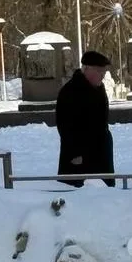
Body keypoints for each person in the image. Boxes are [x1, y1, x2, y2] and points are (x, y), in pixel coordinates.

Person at [55, 50, 115, 188]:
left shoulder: (99, 89)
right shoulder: (70, 91)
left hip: (100, 152)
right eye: (99, 71)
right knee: (81, 193)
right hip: (80, 156)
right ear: (86, 69)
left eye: (104, 71)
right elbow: (65, 125)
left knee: (104, 192)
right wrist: (74, 153)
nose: (103, 75)